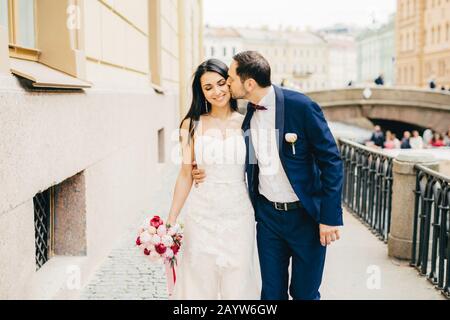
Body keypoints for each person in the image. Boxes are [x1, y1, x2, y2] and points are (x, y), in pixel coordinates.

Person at [194, 51, 343, 300]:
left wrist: (329, 217)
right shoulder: (248, 115)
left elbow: (332, 161)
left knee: (305, 294)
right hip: (268, 220)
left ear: (249, 83)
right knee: (271, 295)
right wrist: (201, 169)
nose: (227, 83)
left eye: (230, 78)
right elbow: (241, 157)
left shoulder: (302, 107)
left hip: (306, 217)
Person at [166, 59, 260, 299]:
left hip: (238, 213)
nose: (217, 92)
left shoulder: (249, 122)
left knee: (237, 281)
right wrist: (171, 218)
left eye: (221, 84)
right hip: (201, 214)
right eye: (208, 88)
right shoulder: (191, 124)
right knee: (199, 281)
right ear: (201, 92)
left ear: (230, 84)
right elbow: (186, 174)